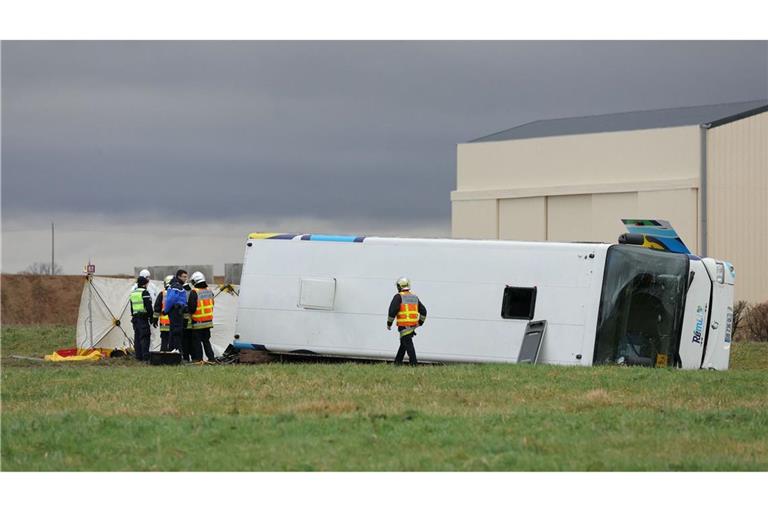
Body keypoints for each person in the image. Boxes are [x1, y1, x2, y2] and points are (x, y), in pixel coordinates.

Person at [386, 277, 427, 366]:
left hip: (404, 325)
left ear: (399, 286)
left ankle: (414, 364)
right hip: (412, 326)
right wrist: (420, 322)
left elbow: (392, 311)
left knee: (408, 344)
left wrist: (389, 324)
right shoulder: (414, 297)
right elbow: (424, 311)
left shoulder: (398, 297)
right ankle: (397, 363)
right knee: (404, 344)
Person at [187, 271, 216, 363]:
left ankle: (198, 359)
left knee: (197, 342)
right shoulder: (210, 291)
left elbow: (191, 308)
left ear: (195, 281)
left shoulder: (194, 292)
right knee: (206, 341)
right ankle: (211, 358)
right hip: (208, 322)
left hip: (198, 322)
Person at [164, 269, 189, 354]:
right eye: (184, 277)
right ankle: (176, 352)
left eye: (186, 277)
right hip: (176, 312)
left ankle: (172, 351)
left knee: (174, 332)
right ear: (179, 276)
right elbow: (171, 299)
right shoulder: (176, 286)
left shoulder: (177, 286)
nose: (185, 279)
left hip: (177, 311)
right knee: (176, 332)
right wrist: (166, 310)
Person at [130, 276, 154, 361]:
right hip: (143, 318)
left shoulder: (133, 293)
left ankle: (138, 357)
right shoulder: (144, 292)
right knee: (145, 337)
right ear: (144, 284)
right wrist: (151, 317)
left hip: (135, 319)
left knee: (137, 337)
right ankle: (145, 357)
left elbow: (132, 308)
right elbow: (148, 306)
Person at [152, 275, 173, 351]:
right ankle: (173, 357)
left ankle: (163, 356)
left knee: (164, 340)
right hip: (174, 323)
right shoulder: (178, 293)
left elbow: (157, 308)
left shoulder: (162, 294)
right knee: (174, 341)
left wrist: (155, 319)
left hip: (164, 323)